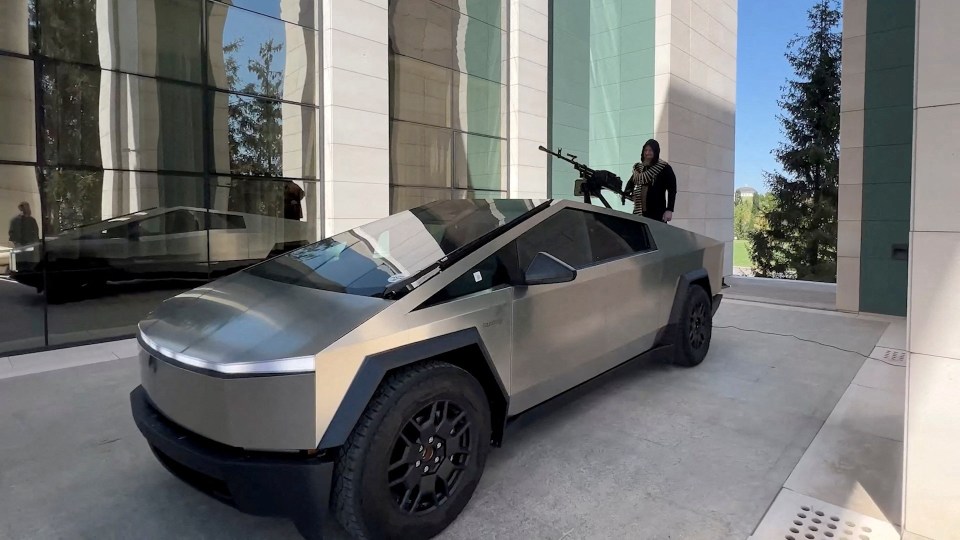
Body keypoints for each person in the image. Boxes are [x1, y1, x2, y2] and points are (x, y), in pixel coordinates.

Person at [625, 139, 677, 223]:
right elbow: (632, 181)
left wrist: (669, 210)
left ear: (656, 151)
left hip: (657, 212)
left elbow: (672, 190)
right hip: (639, 211)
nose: (647, 153)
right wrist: (627, 193)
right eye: (645, 150)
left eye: (650, 150)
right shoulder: (639, 168)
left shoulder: (664, 168)